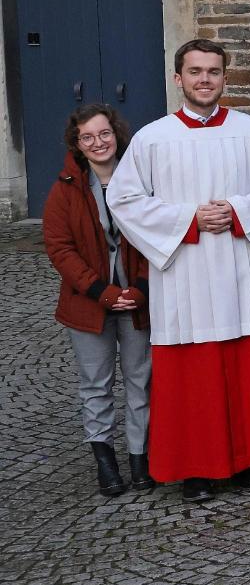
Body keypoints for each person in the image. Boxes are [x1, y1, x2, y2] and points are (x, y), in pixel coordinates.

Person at [107, 40, 250, 501]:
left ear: (225, 79)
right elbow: (124, 201)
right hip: (185, 275)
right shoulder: (153, 138)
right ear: (178, 79)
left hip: (239, 268)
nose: (205, 79)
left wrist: (238, 210)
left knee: (245, 364)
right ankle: (196, 467)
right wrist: (189, 219)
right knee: (193, 376)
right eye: (195, 71)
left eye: (213, 71)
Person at [43, 104, 151, 497]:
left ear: (116, 134)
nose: (98, 142)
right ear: (77, 143)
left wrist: (140, 288)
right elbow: (59, 248)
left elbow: (154, 235)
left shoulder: (141, 179)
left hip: (137, 299)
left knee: (141, 380)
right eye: (87, 137)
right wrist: (101, 292)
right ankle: (105, 460)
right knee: (96, 384)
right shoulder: (65, 188)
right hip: (88, 303)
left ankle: (141, 457)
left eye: (104, 134)